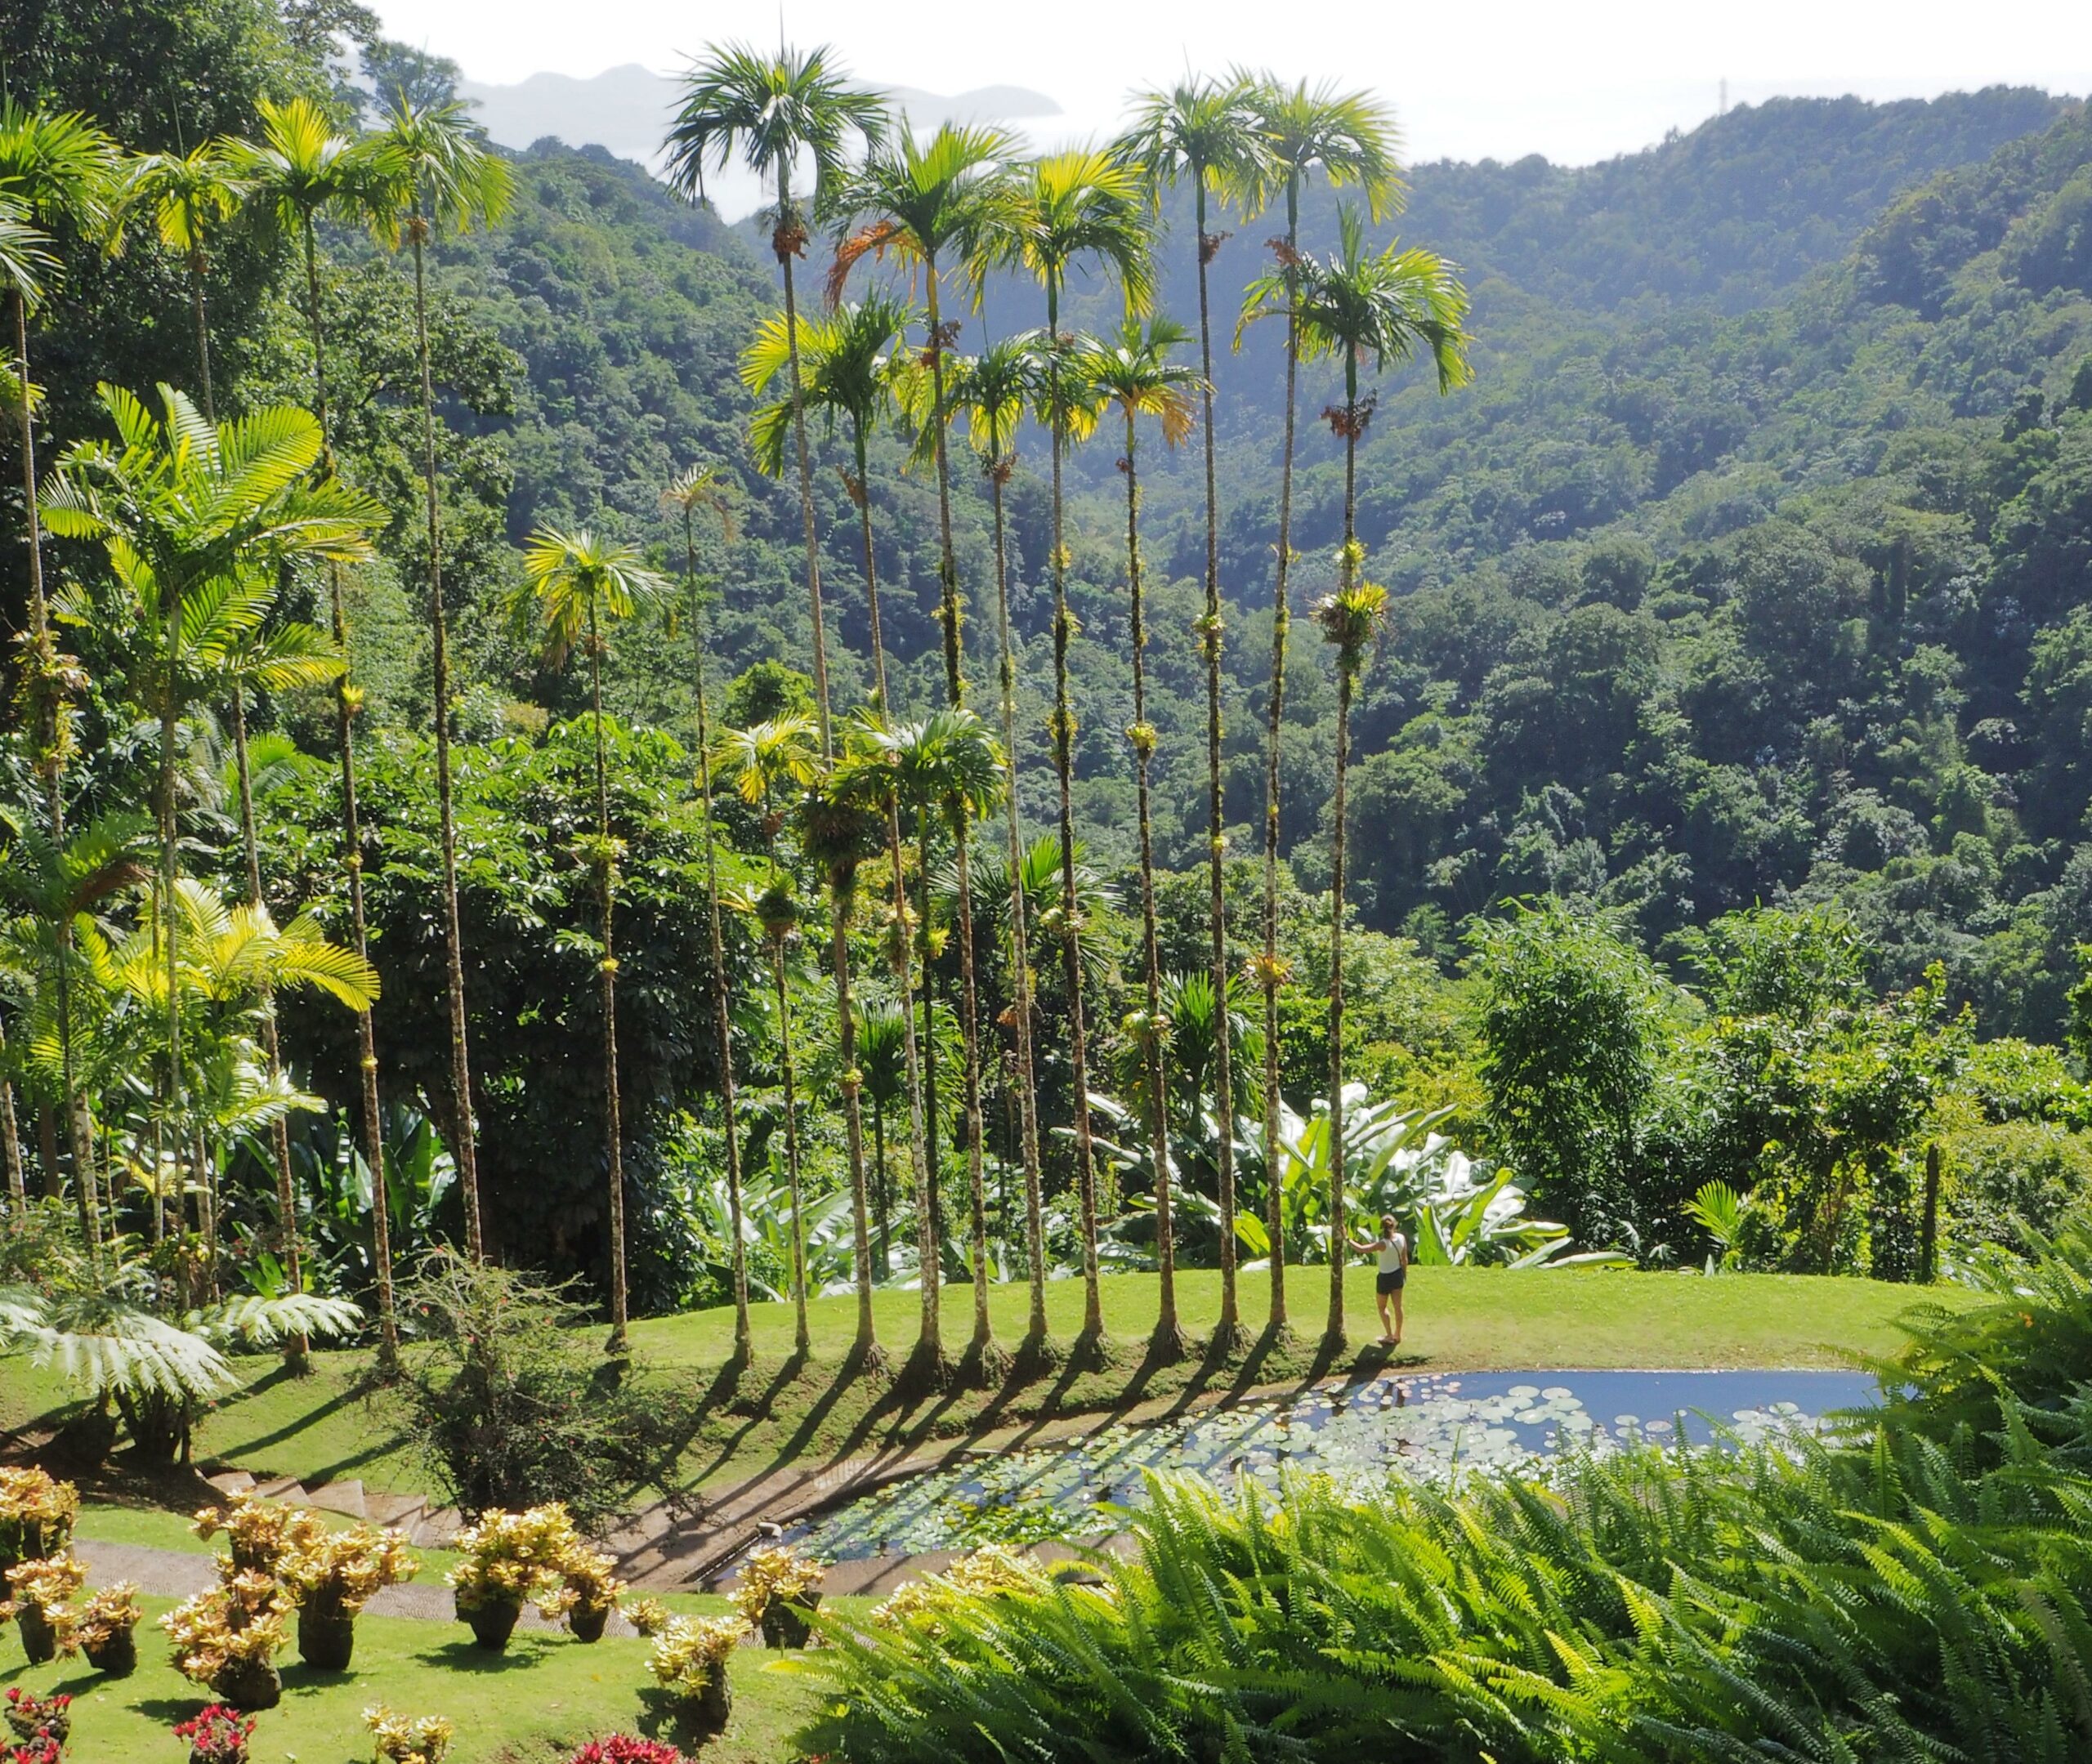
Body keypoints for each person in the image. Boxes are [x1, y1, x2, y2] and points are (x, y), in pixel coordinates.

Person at [1348, 1212, 1409, 1346]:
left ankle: (1389, 1334)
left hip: (1384, 1277)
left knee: (1382, 1307)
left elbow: (1362, 1249)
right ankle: (1398, 1335)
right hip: (1397, 1275)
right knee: (1398, 1306)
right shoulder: (1401, 1238)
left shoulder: (1382, 1244)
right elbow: (1404, 1259)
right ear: (1394, 1226)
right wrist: (1404, 1275)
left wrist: (1347, 1239)